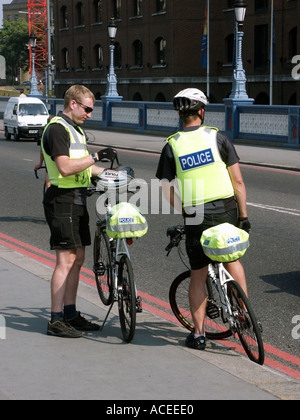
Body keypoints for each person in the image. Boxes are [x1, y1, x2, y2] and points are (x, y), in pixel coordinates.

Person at [156, 88, 251, 351]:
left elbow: (165, 187)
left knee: (198, 275)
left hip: (196, 213)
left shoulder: (172, 144)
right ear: (201, 111)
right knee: (232, 259)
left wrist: (184, 210)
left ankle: (199, 334)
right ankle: (244, 313)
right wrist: (243, 216)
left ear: (180, 115)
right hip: (226, 209)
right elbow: (239, 182)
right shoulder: (217, 138)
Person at [41, 84, 117, 338]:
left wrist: (110, 173)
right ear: (73, 103)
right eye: (87, 109)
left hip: (77, 199)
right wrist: (96, 156)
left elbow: (83, 167)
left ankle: (71, 314)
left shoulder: (75, 130)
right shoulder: (57, 129)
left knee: (79, 259)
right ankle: (55, 320)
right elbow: (64, 167)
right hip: (62, 199)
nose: (89, 114)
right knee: (66, 260)